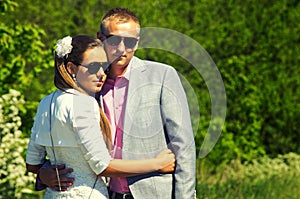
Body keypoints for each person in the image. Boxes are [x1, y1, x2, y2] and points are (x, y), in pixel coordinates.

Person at [38, 7, 196, 199]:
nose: (121, 49)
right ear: (100, 38)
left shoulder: (163, 76)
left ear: (138, 43)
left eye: (130, 42)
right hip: (103, 193)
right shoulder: (87, 84)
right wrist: (42, 174)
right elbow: (64, 143)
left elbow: (184, 147)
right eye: (114, 40)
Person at [25, 35, 175, 199]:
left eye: (104, 67)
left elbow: (32, 162)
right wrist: (157, 164)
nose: (101, 74)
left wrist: (43, 174)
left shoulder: (45, 103)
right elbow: (102, 166)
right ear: (71, 68)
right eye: (93, 67)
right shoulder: (83, 104)